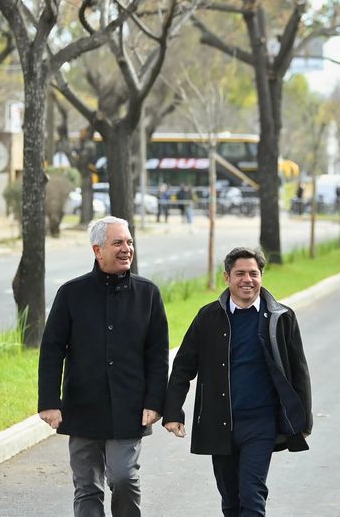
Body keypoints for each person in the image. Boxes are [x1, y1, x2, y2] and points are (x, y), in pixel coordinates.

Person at [163, 247, 312, 517]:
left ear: (261, 276)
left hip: (261, 423)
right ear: (227, 277)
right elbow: (183, 366)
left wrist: (304, 421)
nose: (247, 280)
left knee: (252, 495)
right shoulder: (208, 317)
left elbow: (299, 372)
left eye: (254, 273)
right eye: (240, 273)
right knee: (231, 500)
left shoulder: (281, 317)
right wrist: (173, 411)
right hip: (220, 423)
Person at [38, 216, 169, 517]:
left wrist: (154, 401)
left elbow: (158, 354)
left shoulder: (148, 294)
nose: (127, 249)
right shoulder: (71, 294)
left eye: (129, 242)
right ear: (97, 250)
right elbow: (52, 350)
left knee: (123, 477)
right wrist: (49, 401)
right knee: (87, 487)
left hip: (129, 409)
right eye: (118, 243)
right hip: (82, 408)